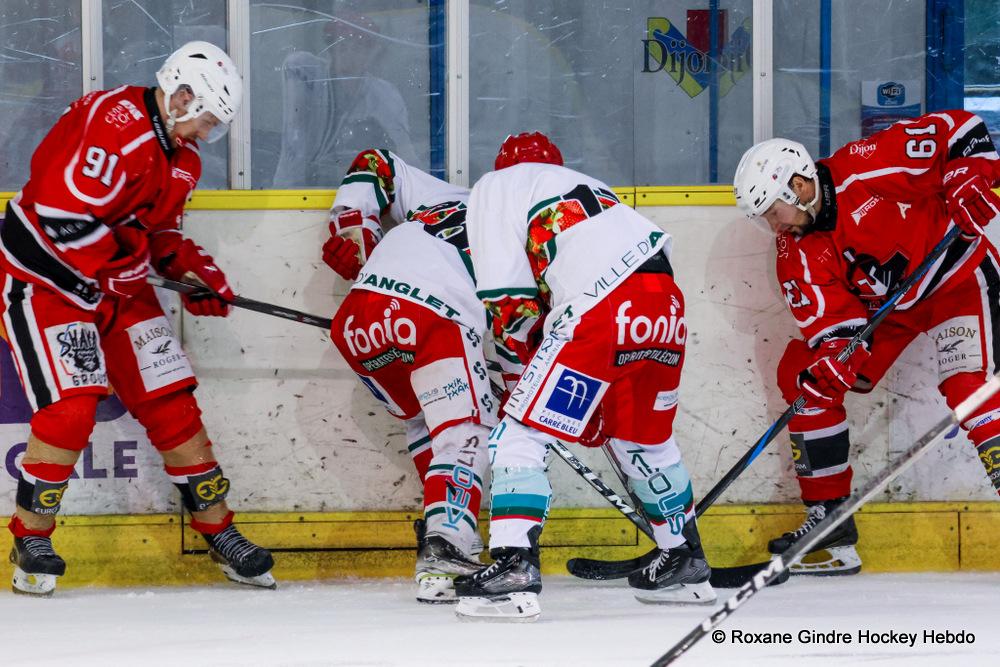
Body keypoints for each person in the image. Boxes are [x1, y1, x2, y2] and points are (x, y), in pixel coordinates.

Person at [0, 41, 274, 595]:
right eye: (207, 119)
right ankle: (30, 539)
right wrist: (120, 266)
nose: (207, 134)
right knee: (71, 412)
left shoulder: (183, 159)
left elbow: (160, 233)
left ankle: (220, 530)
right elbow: (59, 216)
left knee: (171, 401)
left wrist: (191, 271)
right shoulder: (114, 120)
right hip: (47, 283)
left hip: (115, 286)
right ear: (181, 95)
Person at [453, 133, 714, 621]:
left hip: (601, 307)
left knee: (519, 431)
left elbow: (510, 303)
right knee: (644, 438)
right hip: (663, 304)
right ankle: (683, 559)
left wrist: (524, 372)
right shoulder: (592, 188)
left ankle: (513, 568)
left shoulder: (496, 185)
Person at [733, 110, 1000, 575]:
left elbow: (961, 131)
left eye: (774, 212)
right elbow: (834, 322)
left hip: (958, 279)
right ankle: (830, 522)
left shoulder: (867, 164)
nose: (775, 227)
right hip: (889, 313)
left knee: (969, 389)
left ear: (798, 185)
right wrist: (836, 357)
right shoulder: (795, 250)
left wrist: (968, 176)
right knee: (805, 379)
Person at [324, 148, 499, 602]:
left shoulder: (446, 195)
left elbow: (374, 162)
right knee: (466, 429)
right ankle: (445, 546)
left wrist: (353, 225)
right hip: (430, 316)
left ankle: (450, 547)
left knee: (425, 423)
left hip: (357, 322)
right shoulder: (534, 228)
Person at [271, 14, 417, 187]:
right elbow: (295, 63)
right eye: (342, 46)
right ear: (331, 50)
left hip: (361, 190)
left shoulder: (385, 94)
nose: (349, 55)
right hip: (300, 190)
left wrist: (417, 188)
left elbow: (404, 150)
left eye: (358, 48)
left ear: (371, 52)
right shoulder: (311, 79)